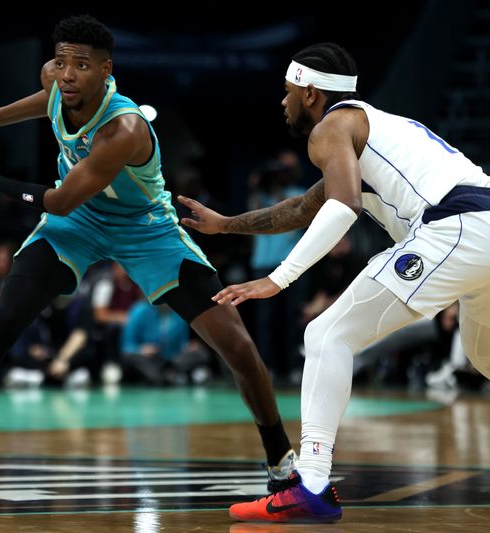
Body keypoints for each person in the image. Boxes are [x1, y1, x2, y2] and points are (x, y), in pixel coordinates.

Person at [0, 15, 295, 505]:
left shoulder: (123, 128)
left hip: (144, 227)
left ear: (107, 70)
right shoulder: (55, 81)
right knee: (3, 322)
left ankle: (281, 464)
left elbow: (59, 201)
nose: (67, 74)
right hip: (76, 228)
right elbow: (49, 102)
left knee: (238, 347)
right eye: (62, 62)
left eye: (82, 65)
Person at [179, 42, 490, 523]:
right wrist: (227, 225)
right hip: (479, 226)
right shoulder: (367, 128)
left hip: (456, 226)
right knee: (483, 356)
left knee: (325, 334)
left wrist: (278, 279)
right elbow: (304, 208)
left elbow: (342, 207)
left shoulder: (332, 125)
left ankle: (314, 485)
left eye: (287, 92)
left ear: (309, 92)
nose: (282, 103)